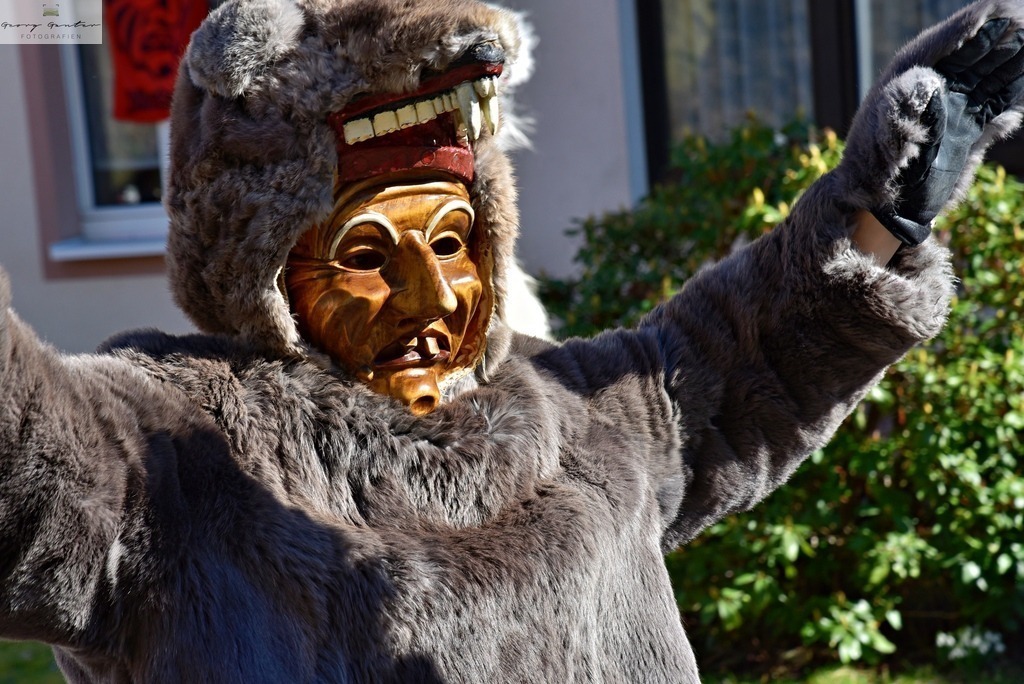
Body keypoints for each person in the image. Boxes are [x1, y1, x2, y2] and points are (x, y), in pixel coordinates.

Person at [1, 0, 1023, 681]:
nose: (431, 296)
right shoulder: (161, 460)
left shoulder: (578, 416)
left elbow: (747, 356)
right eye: (367, 254)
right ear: (264, 277)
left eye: (454, 241)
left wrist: (882, 204)